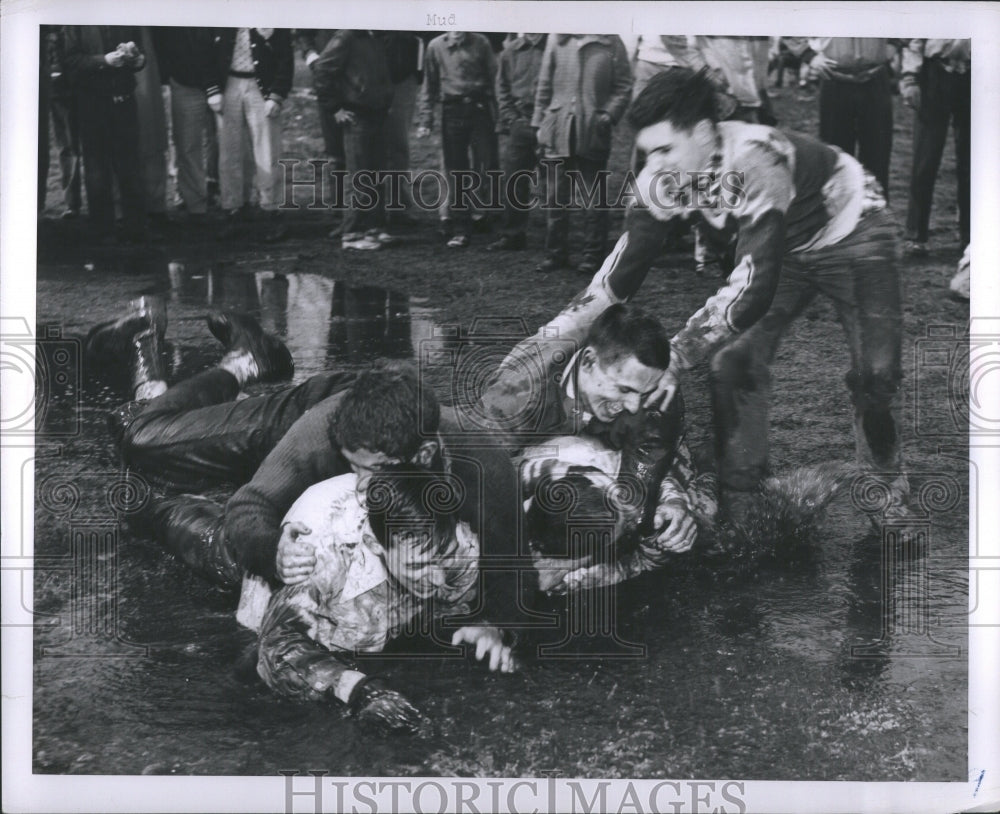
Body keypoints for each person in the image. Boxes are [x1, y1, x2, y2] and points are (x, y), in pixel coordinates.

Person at [517, 67, 909, 529]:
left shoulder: (755, 160)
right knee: (732, 364)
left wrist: (679, 355)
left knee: (877, 375)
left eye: (665, 148)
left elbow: (754, 287)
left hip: (853, 232)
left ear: (704, 132)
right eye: (647, 152)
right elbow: (612, 282)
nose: (655, 163)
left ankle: (886, 483)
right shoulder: (660, 177)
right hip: (783, 247)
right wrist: (538, 349)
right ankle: (745, 497)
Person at [86, 299, 533, 657]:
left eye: (373, 470)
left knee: (224, 556)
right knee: (139, 438)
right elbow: (250, 505)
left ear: (425, 455)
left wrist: (496, 625)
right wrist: (271, 549)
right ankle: (245, 360)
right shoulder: (324, 431)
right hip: (294, 419)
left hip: (369, 428)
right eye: (353, 466)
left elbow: (514, 564)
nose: (361, 485)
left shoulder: (485, 466)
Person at [251, 465, 515, 733]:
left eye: (443, 560)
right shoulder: (321, 560)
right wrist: (356, 690)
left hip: (376, 621)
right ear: (375, 544)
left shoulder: (459, 545)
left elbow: (452, 608)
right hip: (277, 589)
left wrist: (484, 626)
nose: (437, 578)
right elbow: (274, 647)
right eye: (417, 566)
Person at [473, 302, 705, 589]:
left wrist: (673, 504)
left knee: (689, 520)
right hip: (540, 469)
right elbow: (477, 478)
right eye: (623, 389)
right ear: (588, 362)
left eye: (643, 393)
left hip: (606, 471)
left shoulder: (657, 397)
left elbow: (638, 497)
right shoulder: (517, 392)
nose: (634, 405)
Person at [532, 34, 633, 274]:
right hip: (558, 126)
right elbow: (544, 84)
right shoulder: (558, 39)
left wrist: (608, 115)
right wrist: (539, 122)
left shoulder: (610, 42)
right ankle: (555, 253)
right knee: (556, 194)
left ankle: (592, 255)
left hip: (593, 128)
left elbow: (624, 85)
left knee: (593, 196)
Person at [63, 25, 150, 243]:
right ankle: (103, 229)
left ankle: (136, 227)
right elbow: (69, 61)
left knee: (130, 165)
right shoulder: (77, 19)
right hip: (92, 104)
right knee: (97, 168)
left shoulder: (126, 13)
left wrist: (137, 59)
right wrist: (103, 60)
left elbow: (139, 58)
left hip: (125, 100)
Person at [312, 30, 395, 251]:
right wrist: (334, 107)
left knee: (377, 174)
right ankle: (352, 233)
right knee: (359, 175)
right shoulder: (347, 36)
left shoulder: (376, 37)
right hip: (357, 115)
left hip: (378, 113)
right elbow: (322, 69)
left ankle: (374, 228)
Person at [208, 27, 293, 242]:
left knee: (267, 151)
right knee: (229, 152)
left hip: (261, 87)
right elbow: (206, 53)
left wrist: (277, 95)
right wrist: (212, 89)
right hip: (229, 84)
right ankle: (232, 208)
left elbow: (285, 57)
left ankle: (272, 210)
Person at [416, 31, 498, 248]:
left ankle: (482, 215)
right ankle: (461, 227)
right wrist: (426, 119)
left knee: (488, 164)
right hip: (452, 111)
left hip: (480, 109)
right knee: (456, 170)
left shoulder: (481, 42)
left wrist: (501, 116)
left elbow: (495, 79)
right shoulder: (435, 46)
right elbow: (429, 85)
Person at [899, 39, 970, 257]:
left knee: (973, 161)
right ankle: (916, 235)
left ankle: (971, 236)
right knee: (926, 158)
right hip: (935, 73)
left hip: (977, 73)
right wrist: (910, 78)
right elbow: (914, 39)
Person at [805, 38, 894, 201]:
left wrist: (895, 44)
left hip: (875, 77)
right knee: (836, 158)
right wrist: (809, 55)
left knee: (877, 158)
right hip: (834, 77)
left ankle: (875, 222)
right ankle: (840, 222)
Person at [487, 33, 547, 252]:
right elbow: (501, 87)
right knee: (514, 179)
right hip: (520, 121)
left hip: (548, 124)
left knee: (553, 181)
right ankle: (513, 234)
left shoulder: (555, 46)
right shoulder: (510, 51)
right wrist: (511, 117)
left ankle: (557, 238)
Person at [152, 26, 217, 220]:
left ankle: (232, 200)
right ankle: (195, 202)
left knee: (225, 144)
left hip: (223, 78)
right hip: (185, 79)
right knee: (187, 145)